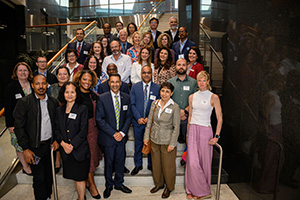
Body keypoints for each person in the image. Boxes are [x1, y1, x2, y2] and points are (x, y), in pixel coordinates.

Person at [13, 74, 59, 200]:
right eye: (37, 84)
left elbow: (56, 124)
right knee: (39, 179)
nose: (41, 86)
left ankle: (48, 197)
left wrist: (56, 139)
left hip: (49, 147)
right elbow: (19, 127)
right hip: (34, 148)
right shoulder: (24, 102)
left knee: (49, 176)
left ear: (47, 85)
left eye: (43, 83)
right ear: (32, 85)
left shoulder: (53, 102)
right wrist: (26, 149)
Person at [185, 71, 223, 200]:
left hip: (206, 131)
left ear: (208, 82)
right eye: (199, 80)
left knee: (204, 162)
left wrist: (216, 136)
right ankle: (192, 188)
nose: (201, 83)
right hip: (192, 130)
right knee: (192, 163)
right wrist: (187, 133)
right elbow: (190, 116)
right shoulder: (192, 97)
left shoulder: (214, 97)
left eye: (203, 80)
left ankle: (204, 191)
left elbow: (220, 118)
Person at [96, 73, 132, 199]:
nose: (115, 84)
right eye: (112, 82)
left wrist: (122, 133)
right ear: (108, 83)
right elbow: (100, 119)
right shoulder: (102, 98)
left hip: (121, 137)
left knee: (120, 161)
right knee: (109, 162)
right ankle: (108, 185)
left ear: (121, 83)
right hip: (108, 137)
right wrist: (113, 133)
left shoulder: (126, 97)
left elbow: (128, 117)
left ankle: (119, 183)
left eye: (117, 82)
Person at [143, 82, 180, 199]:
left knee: (168, 166)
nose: (164, 94)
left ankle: (169, 187)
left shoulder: (175, 107)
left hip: (167, 141)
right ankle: (158, 184)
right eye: (163, 91)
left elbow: (176, 127)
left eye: (167, 91)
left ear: (171, 93)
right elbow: (149, 121)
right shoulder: (155, 103)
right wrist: (146, 137)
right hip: (154, 139)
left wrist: (172, 143)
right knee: (156, 164)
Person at [56, 82, 90, 200]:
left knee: (80, 177)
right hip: (65, 150)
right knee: (74, 176)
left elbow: (83, 131)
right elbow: (56, 130)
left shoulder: (82, 108)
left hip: (79, 150)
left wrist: (71, 145)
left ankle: (81, 198)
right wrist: (63, 144)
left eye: (72, 92)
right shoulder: (59, 111)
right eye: (67, 92)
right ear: (63, 94)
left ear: (77, 93)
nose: (69, 95)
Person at [73, 70, 102, 199]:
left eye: (90, 80)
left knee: (92, 156)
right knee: (79, 157)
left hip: (92, 129)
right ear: (79, 80)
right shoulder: (72, 94)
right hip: (76, 129)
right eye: (84, 79)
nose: (87, 82)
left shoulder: (95, 95)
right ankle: (83, 183)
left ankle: (91, 182)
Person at [130, 66, 160, 175]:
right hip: (138, 122)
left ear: (151, 74)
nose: (146, 75)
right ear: (141, 74)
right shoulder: (135, 87)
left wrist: (149, 118)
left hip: (151, 122)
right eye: (144, 73)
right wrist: (138, 118)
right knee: (138, 144)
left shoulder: (157, 88)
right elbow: (132, 104)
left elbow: (158, 105)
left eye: (148, 73)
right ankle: (138, 165)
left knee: (151, 144)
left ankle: (151, 165)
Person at [4, 62, 33, 175]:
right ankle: (25, 167)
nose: (23, 72)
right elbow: (8, 107)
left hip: (31, 122)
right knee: (19, 144)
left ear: (29, 72)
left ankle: (31, 162)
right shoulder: (10, 87)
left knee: (29, 143)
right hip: (17, 123)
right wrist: (10, 125)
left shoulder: (32, 84)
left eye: (25, 70)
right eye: (20, 70)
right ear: (16, 73)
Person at [168, 59, 198, 144]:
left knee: (188, 143)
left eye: (183, 65)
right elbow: (167, 100)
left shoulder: (193, 82)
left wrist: (185, 111)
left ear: (187, 66)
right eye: (179, 65)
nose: (181, 67)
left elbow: (196, 99)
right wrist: (178, 112)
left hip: (188, 117)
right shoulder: (170, 82)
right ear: (175, 67)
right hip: (172, 117)